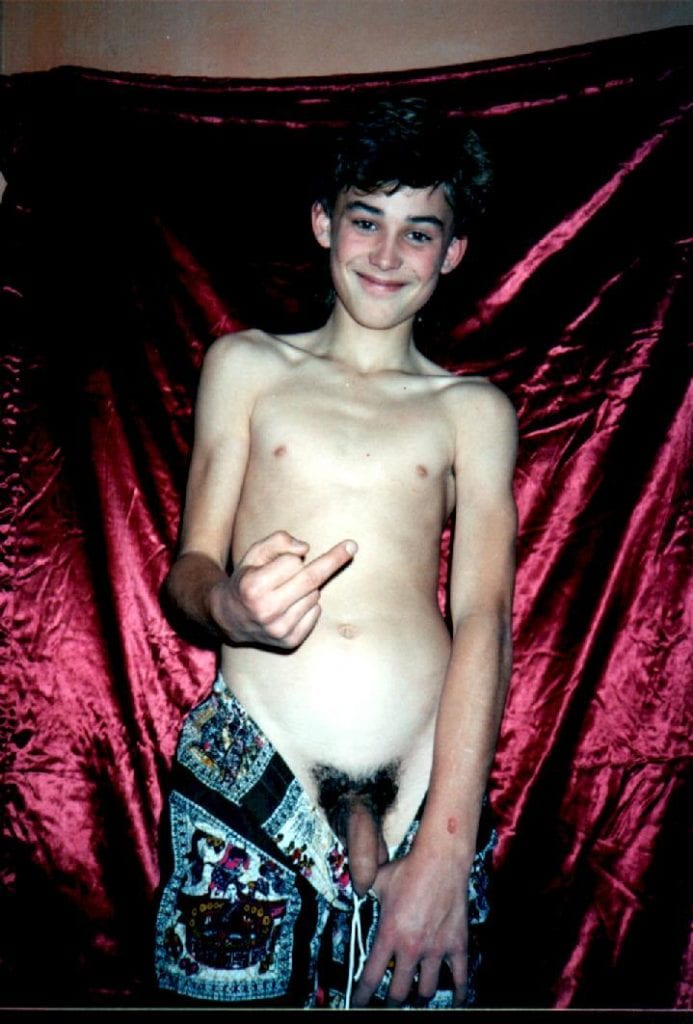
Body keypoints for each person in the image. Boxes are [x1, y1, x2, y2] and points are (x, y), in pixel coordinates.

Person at [154, 97, 517, 1009]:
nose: (387, 254)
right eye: (365, 221)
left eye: (419, 232)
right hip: (253, 762)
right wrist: (230, 606)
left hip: (424, 791)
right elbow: (188, 572)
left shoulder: (473, 411)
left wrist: (446, 847)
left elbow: (485, 617)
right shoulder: (246, 366)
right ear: (323, 222)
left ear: (452, 251)